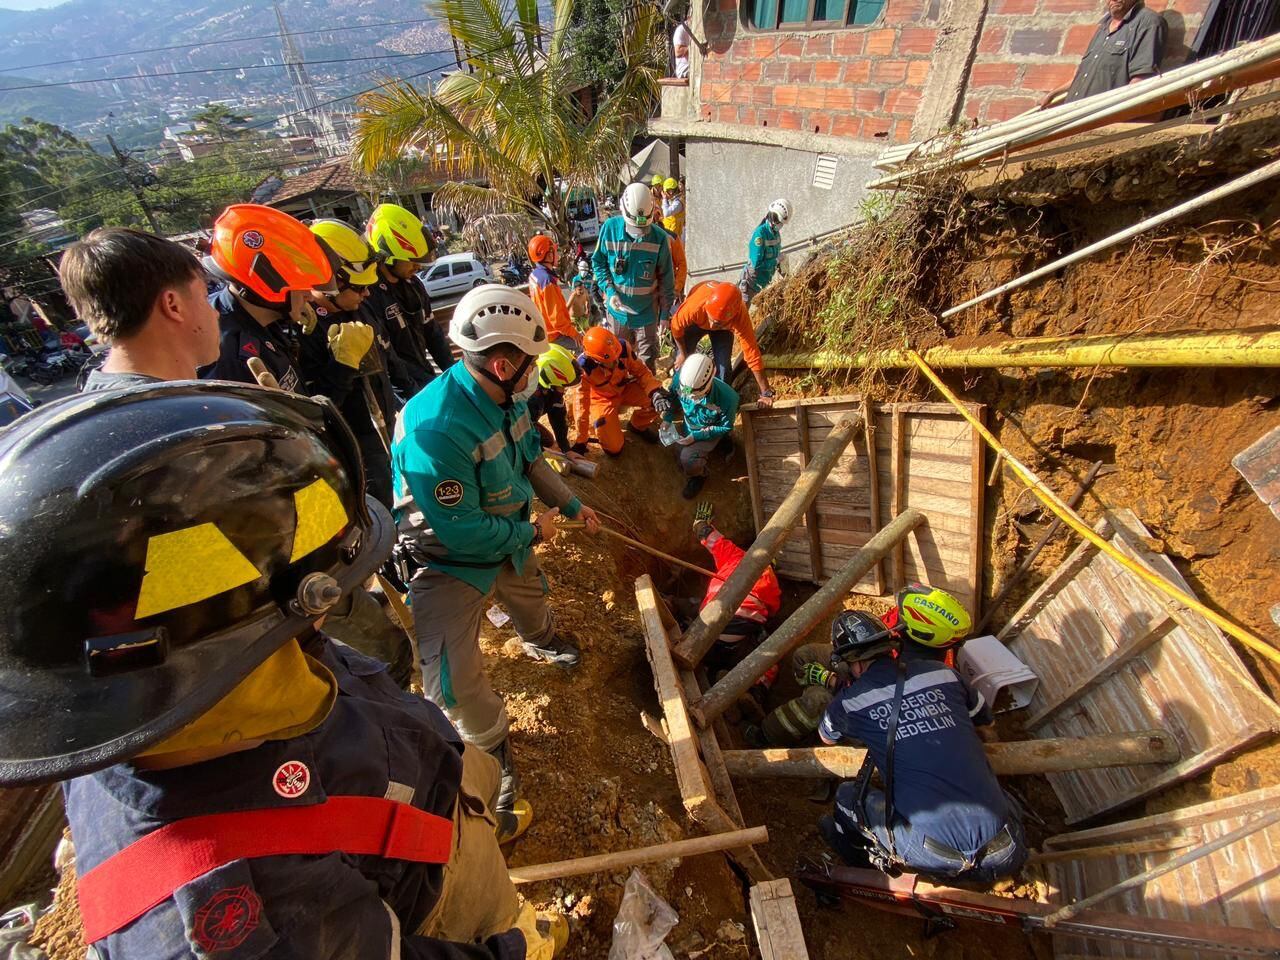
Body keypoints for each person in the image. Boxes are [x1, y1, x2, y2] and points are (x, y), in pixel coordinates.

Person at [0, 383, 567, 959]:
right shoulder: (239, 918)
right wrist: (508, 950)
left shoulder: (211, 680)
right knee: (482, 909)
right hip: (436, 886)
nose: (324, 629)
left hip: (426, 804)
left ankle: (478, 823)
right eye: (323, 607)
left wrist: (461, 791)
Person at [392, 285, 601, 842]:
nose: (537, 374)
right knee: (451, 681)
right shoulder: (434, 429)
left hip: (506, 537)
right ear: (505, 363)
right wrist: (531, 530)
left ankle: (542, 638)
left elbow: (530, 459)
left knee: (529, 595)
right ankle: (491, 756)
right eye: (531, 365)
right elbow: (458, 530)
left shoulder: (507, 399)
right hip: (447, 559)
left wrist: (571, 503)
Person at [814, 585, 1028, 883]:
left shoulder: (850, 702)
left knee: (847, 798)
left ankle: (864, 861)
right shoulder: (944, 673)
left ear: (854, 663)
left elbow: (827, 737)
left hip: (940, 856)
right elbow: (983, 718)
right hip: (1009, 847)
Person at [58, 226, 220, 391]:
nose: (216, 313)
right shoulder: (172, 411)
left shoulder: (106, 399)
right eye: (205, 297)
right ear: (173, 305)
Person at [303, 219, 393, 510]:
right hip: (358, 444)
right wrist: (342, 365)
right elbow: (318, 411)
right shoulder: (307, 331)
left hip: (386, 421)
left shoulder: (359, 307)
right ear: (330, 282)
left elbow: (388, 358)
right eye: (358, 288)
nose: (366, 294)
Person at [200, 204, 335, 390]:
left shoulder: (263, 321)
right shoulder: (230, 359)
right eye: (303, 288)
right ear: (268, 282)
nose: (310, 297)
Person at [365, 203, 454, 395]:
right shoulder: (368, 296)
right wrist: (423, 390)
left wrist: (452, 376)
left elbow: (433, 334)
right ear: (387, 256)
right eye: (412, 261)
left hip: (424, 377)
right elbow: (390, 360)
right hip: (401, 390)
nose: (418, 268)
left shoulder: (412, 284)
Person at [688, 500, 782, 677]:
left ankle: (672, 606)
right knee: (763, 652)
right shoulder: (771, 578)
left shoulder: (735, 555)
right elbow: (773, 611)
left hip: (708, 618)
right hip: (739, 628)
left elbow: (711, 538)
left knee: (694, 610)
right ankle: (754, 687)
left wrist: (700, 523)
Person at [591, 182, 675, 372]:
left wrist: (664, 316)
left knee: (646, 366)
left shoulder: (659, 238)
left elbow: (667, 280)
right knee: (617, 363)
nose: (639, 235)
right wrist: (609, 291)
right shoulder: (609, 229)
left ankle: (647, 400)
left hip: (646, 313)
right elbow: (598, 263)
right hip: (618, 313)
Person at [1042, 0, 1167, 107]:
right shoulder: (1103, 26)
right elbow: (1084, 76)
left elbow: (1141, 81)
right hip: (1071, 115)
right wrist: (1053, 94)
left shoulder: (1148, 22)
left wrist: (1111, 115)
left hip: (1098, 120)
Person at [671, 280, 775, 405]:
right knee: (683, 366)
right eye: (711, 320)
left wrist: (765, 392)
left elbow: (752, 353)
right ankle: (680, 399)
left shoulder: (739, 316)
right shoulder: (694, 307)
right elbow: (676, 328)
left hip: (723, 329)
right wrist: (683, 354)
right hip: (696, 322)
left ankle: (715, 404)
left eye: (717, 323)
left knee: (723, 368)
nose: (711, 326)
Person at [576, 325, 673, 456]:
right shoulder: (583, 369)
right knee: (614, 448)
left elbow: (641, 372)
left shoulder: (623, 348)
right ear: (595, 360)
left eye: (617, 357)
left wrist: (655, 391)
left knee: (657, 400)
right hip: (602, 400)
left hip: (624, 389)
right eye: (611, 361)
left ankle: (638, 425)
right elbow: (581, 405)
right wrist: (581, 441)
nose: (617, 361)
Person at [662, 353, 738, 499]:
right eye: (687, 393)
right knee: (677, 450)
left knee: (687, 459)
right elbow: (674, 398)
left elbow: (725, 426)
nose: (690, 398)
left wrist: (696, 436)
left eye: (696, 396)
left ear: (707, 385)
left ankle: (699, 477)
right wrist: (667, 418)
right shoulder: (682, 381)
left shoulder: (728, 398)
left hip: (709, 431)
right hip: (689, 427)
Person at [528, 342, 586, 460]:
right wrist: (541, 453)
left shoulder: (552, 390)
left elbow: (558, 417)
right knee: (535, 444)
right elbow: (523, 432)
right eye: (563, 386)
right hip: (513, 428)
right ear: (548, 380)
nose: (564, 390)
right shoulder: (531, 398)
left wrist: (566, 449)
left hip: (529, 420)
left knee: (548, 441)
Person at [526, 234, 578, 351]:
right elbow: (557, 320)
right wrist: (575, 334)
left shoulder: (534, 275)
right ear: (548, 255)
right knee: (585, 349)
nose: (557, 255)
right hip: (554, 335)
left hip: (545, 330)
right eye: (554, 251)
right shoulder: (548, 282)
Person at [739, 198, 791, 308]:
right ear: (774, 218)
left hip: (763, 282)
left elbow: (777, 256)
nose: (781, 226)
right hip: (751, 284)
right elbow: (756, 264)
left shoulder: (775, 234)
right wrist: (776, 260)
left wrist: (786, 274)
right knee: (741, 313)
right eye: (780, 223)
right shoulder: (760, 235)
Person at [661, 224, 688, 306]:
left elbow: (681, 264)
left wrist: (676, 288)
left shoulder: (671, 237)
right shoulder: (641, 235)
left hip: (667, 289)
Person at [568, 259, 596, 329]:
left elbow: (589, 293)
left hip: (588, 297)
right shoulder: (575, 279)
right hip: (578, 299)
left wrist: (587, 308)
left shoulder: (590, 278)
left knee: (590, 315)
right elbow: (573, 291)